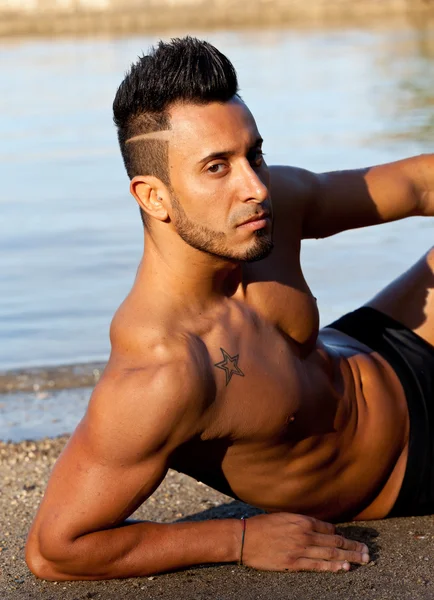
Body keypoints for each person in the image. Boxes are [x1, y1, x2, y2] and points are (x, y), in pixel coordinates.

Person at [25, 36, 434, 581]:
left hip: (386, 348)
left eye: (254, 154)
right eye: (217, 167)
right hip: (406, 463)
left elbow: (417, 183)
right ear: (153, 197)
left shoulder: (263, 211)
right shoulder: (163, 372)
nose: (255, 186)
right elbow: (56, 548)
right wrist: (236, 537)